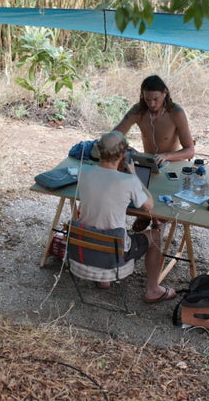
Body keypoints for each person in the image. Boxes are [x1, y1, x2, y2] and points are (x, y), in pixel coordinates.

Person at [76, 130, 176, 303]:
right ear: (123, 155)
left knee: (100, 224)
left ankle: (103, 280)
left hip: (83, 249)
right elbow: (149, 206)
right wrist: (135, 177)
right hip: (113, 254)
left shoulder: (83, 173)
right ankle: (153, 290)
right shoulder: (128, 181)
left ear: (98, 151)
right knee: (155, 236)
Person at [114, 75, 195, 231]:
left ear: (165, 92)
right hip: (148, 165)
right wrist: (127, 148)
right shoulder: (138, 111)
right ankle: (148, 217)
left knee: (162, 208)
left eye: (156, 99)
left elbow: (190, 150)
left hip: (172, 167)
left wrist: (166, 156)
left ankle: (155, 220)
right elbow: (115, 135)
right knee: (131, 191)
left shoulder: (176, 113)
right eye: (147, 99)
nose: (151, 104)